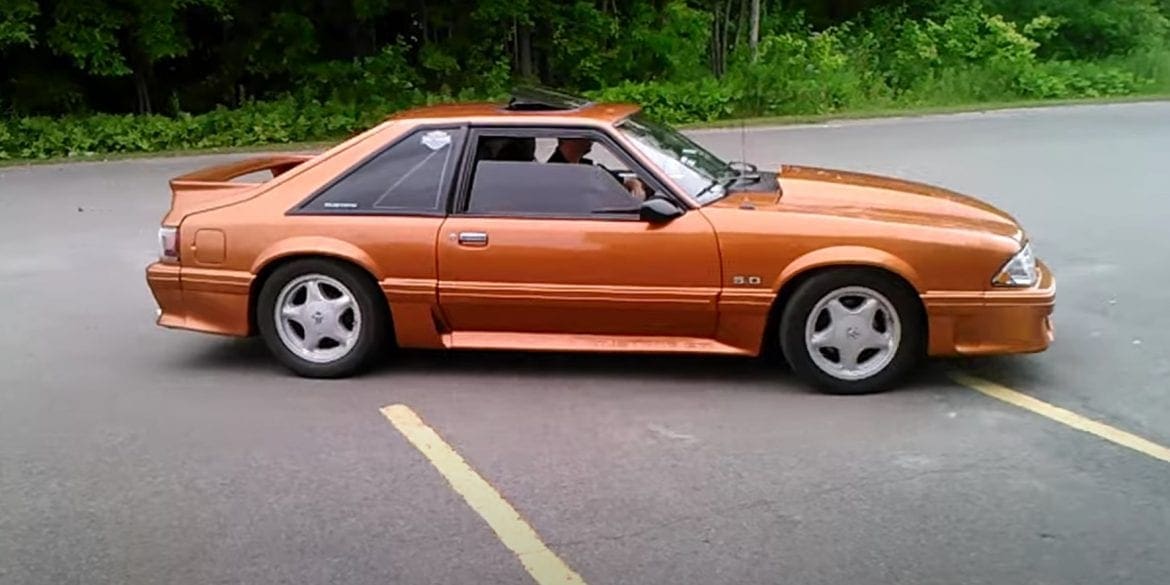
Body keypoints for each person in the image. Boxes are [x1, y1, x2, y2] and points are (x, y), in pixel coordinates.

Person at [547, 137, 647, 199]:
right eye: (585, 136)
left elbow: (623, 180)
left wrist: (636, 187)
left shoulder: (589, 165)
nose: (591, 140)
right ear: (567, 139)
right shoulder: (554, 172)